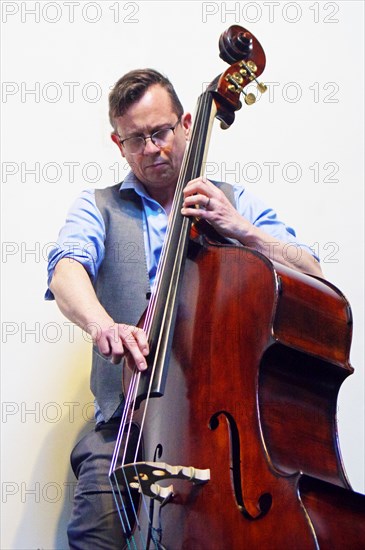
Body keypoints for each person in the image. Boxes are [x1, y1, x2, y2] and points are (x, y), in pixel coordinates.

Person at [46, 68, 322, 549]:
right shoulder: (98, 206)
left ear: (188, 124)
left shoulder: (234, 202)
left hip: (219, 434)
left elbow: (313, 272)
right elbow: (65, 267)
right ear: (119, 144)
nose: (152, 148)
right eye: (137, 139)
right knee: (95, 536)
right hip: (123, 430)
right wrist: (102, 324)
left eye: (161, 132)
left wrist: (240, 229)